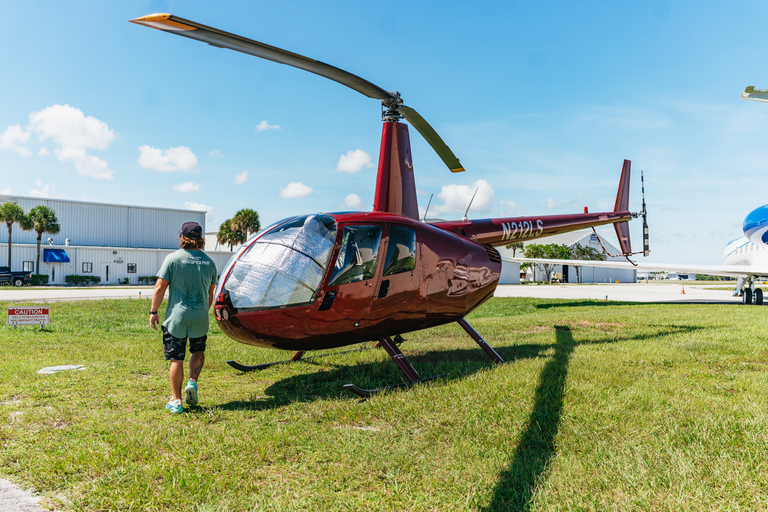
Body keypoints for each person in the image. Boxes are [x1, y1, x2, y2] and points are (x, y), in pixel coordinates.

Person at [149, 221, 218, 413]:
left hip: (177, 318)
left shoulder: (173, 259)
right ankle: (192, 382)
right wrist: (204, 310)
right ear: (200, 238)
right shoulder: (210, 262)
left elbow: (160, 287)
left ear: (182, 237)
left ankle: (176, 401)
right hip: (200, 316)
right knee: (198, 351)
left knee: (176, 359)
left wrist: (153, 312)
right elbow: (211, 293)